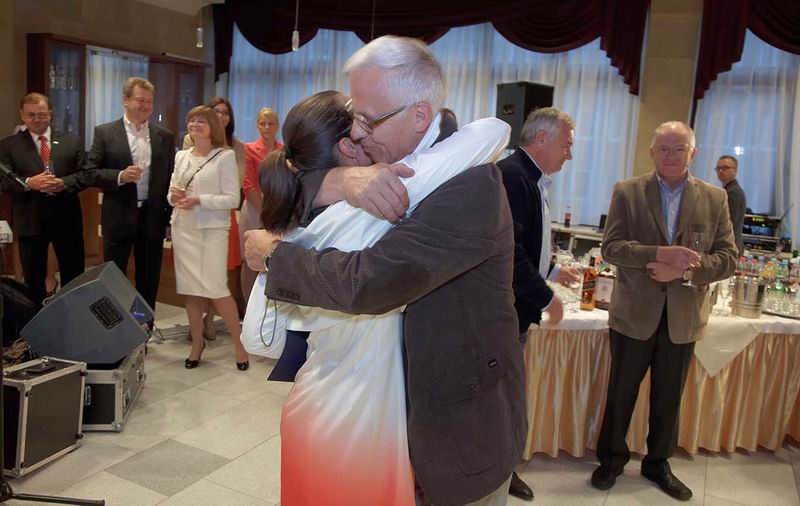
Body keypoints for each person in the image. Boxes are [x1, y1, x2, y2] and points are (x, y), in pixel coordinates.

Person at [244, 35, 527, 506]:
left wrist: (275, 257)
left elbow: (372, 281)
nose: (356, 132)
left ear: (419, 115)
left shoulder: (469, 183)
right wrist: (337, 180)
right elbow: (296, 170)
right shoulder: (375, 163)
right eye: (353, 114)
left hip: (456, 430)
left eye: (367, 118)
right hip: (376, 421)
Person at [591, 121, 737, 501]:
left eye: (679, 148)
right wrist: (660, 254)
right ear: (652, 152)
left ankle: (658, 464)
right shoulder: (627, 191)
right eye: (664, 149)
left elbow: (728, 259)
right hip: (633, 314)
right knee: (621, 393)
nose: (671, 156)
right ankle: (611, 460)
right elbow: (612, 248)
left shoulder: (714, 198)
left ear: (693, 153)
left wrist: (684, 270)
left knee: (668, 399)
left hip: (683, 317)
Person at [496, 106, 582, 501]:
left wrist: (552, 271)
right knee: (506, 399)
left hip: (515, 310)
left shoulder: (529, 176)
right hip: (506, 313)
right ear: (542, 139)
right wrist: (547, 298)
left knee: (509, 397)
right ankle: (500, 471)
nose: (569, 154)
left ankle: (502, 467)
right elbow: (509, 253)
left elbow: (529, 243)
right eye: (566, 145)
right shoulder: (514, 176)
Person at [168, 106, 249, 370]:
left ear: (213, 126)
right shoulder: (181, 156)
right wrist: (175, 196)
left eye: (201, 121)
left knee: (217, 289)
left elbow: (232, 199)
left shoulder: (225, 157)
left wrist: (199, 200)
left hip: (212, 231)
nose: (195, 124)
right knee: (191, 290)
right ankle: (196, 343)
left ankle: (239, 346)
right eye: (191, 120)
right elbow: (171, 193)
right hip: (184, 228)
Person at [84, 77, 175, 313]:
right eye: (139, 100)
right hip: (118, 215)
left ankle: (144, 327)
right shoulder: (105, 132)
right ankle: (115, 328)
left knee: (149, 278)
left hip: (152, 217)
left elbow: (169, 179)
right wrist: (120, 176)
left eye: (149, 101)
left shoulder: (164, 136)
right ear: (125, 100)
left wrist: (168, 219)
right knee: (113, 278)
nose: (145, 106)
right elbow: (90, 172)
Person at [0, 92, 87, 304]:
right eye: (31, 115)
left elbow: (86, 174)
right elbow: (3, 181)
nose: (36, 119)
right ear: (22, 115)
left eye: (41, 114)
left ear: (50, 113)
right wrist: (29, 183)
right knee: (33, 279)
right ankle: (37, 320)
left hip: (66, 218)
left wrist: (63, 183)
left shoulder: (71, 141)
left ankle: (73, 316)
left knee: (74, 275)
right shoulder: (9, 145)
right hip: (30, 219)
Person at [182, 97, 246, 337]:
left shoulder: (236, 146)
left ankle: (209, 320)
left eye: (225, 112)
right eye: (216, 111)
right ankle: (196, 323)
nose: (220, 116)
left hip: (221, 214)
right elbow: (185, 177)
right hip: (195, 214)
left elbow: (237, 183)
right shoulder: (190, 139)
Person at [239, 107, 282, 302]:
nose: (266, 127)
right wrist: (264, 209)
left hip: (277, 208)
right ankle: (248, 305)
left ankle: (266, 303)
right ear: (257, 125)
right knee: (250, 258)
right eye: (262, 123)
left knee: (272, 254)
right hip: (254, 208)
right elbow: (248, 184)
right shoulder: (248, 148)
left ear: (277, 126)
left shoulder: (283, 150)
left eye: (270, 123)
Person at [715, 155, 747, 255]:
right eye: (718, 168)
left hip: (729, 246)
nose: (721, 171)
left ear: (735, 171)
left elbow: (727, 223)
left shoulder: (732, 192)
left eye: (725, 168)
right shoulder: (729, 190)